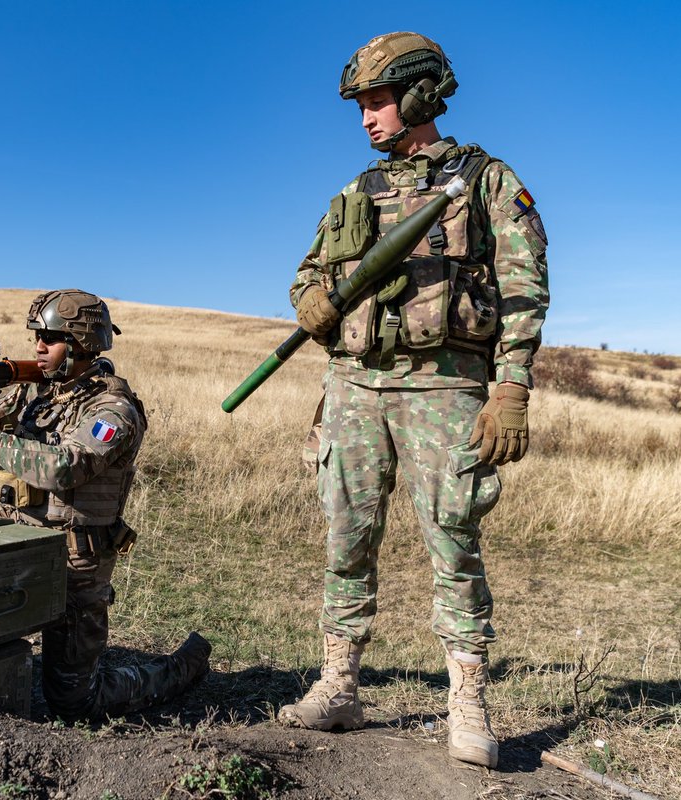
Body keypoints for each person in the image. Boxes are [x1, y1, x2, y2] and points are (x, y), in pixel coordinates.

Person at [279, 32, 549, 768]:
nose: (367, 118)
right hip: (355, 386)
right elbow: (308, 272)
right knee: (346, 535)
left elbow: (524, 290)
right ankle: (339, 683)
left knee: (453, 541)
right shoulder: (354, 195)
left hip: (445, 386)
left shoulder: (487, 181)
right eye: (361, 105)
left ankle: (468, 699)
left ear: (421, 94)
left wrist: (512, 385)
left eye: (377, 101)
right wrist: (309, 301)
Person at [0, 288, 211, 723]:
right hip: (14, 537)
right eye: (37, 335)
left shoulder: (114, 409)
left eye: (49, 338)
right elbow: (1, 444)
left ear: (82, 346)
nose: (37, 346)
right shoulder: (37, 394)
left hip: (76, 559)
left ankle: (181, 667)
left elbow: (63, 468)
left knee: (73, 703)